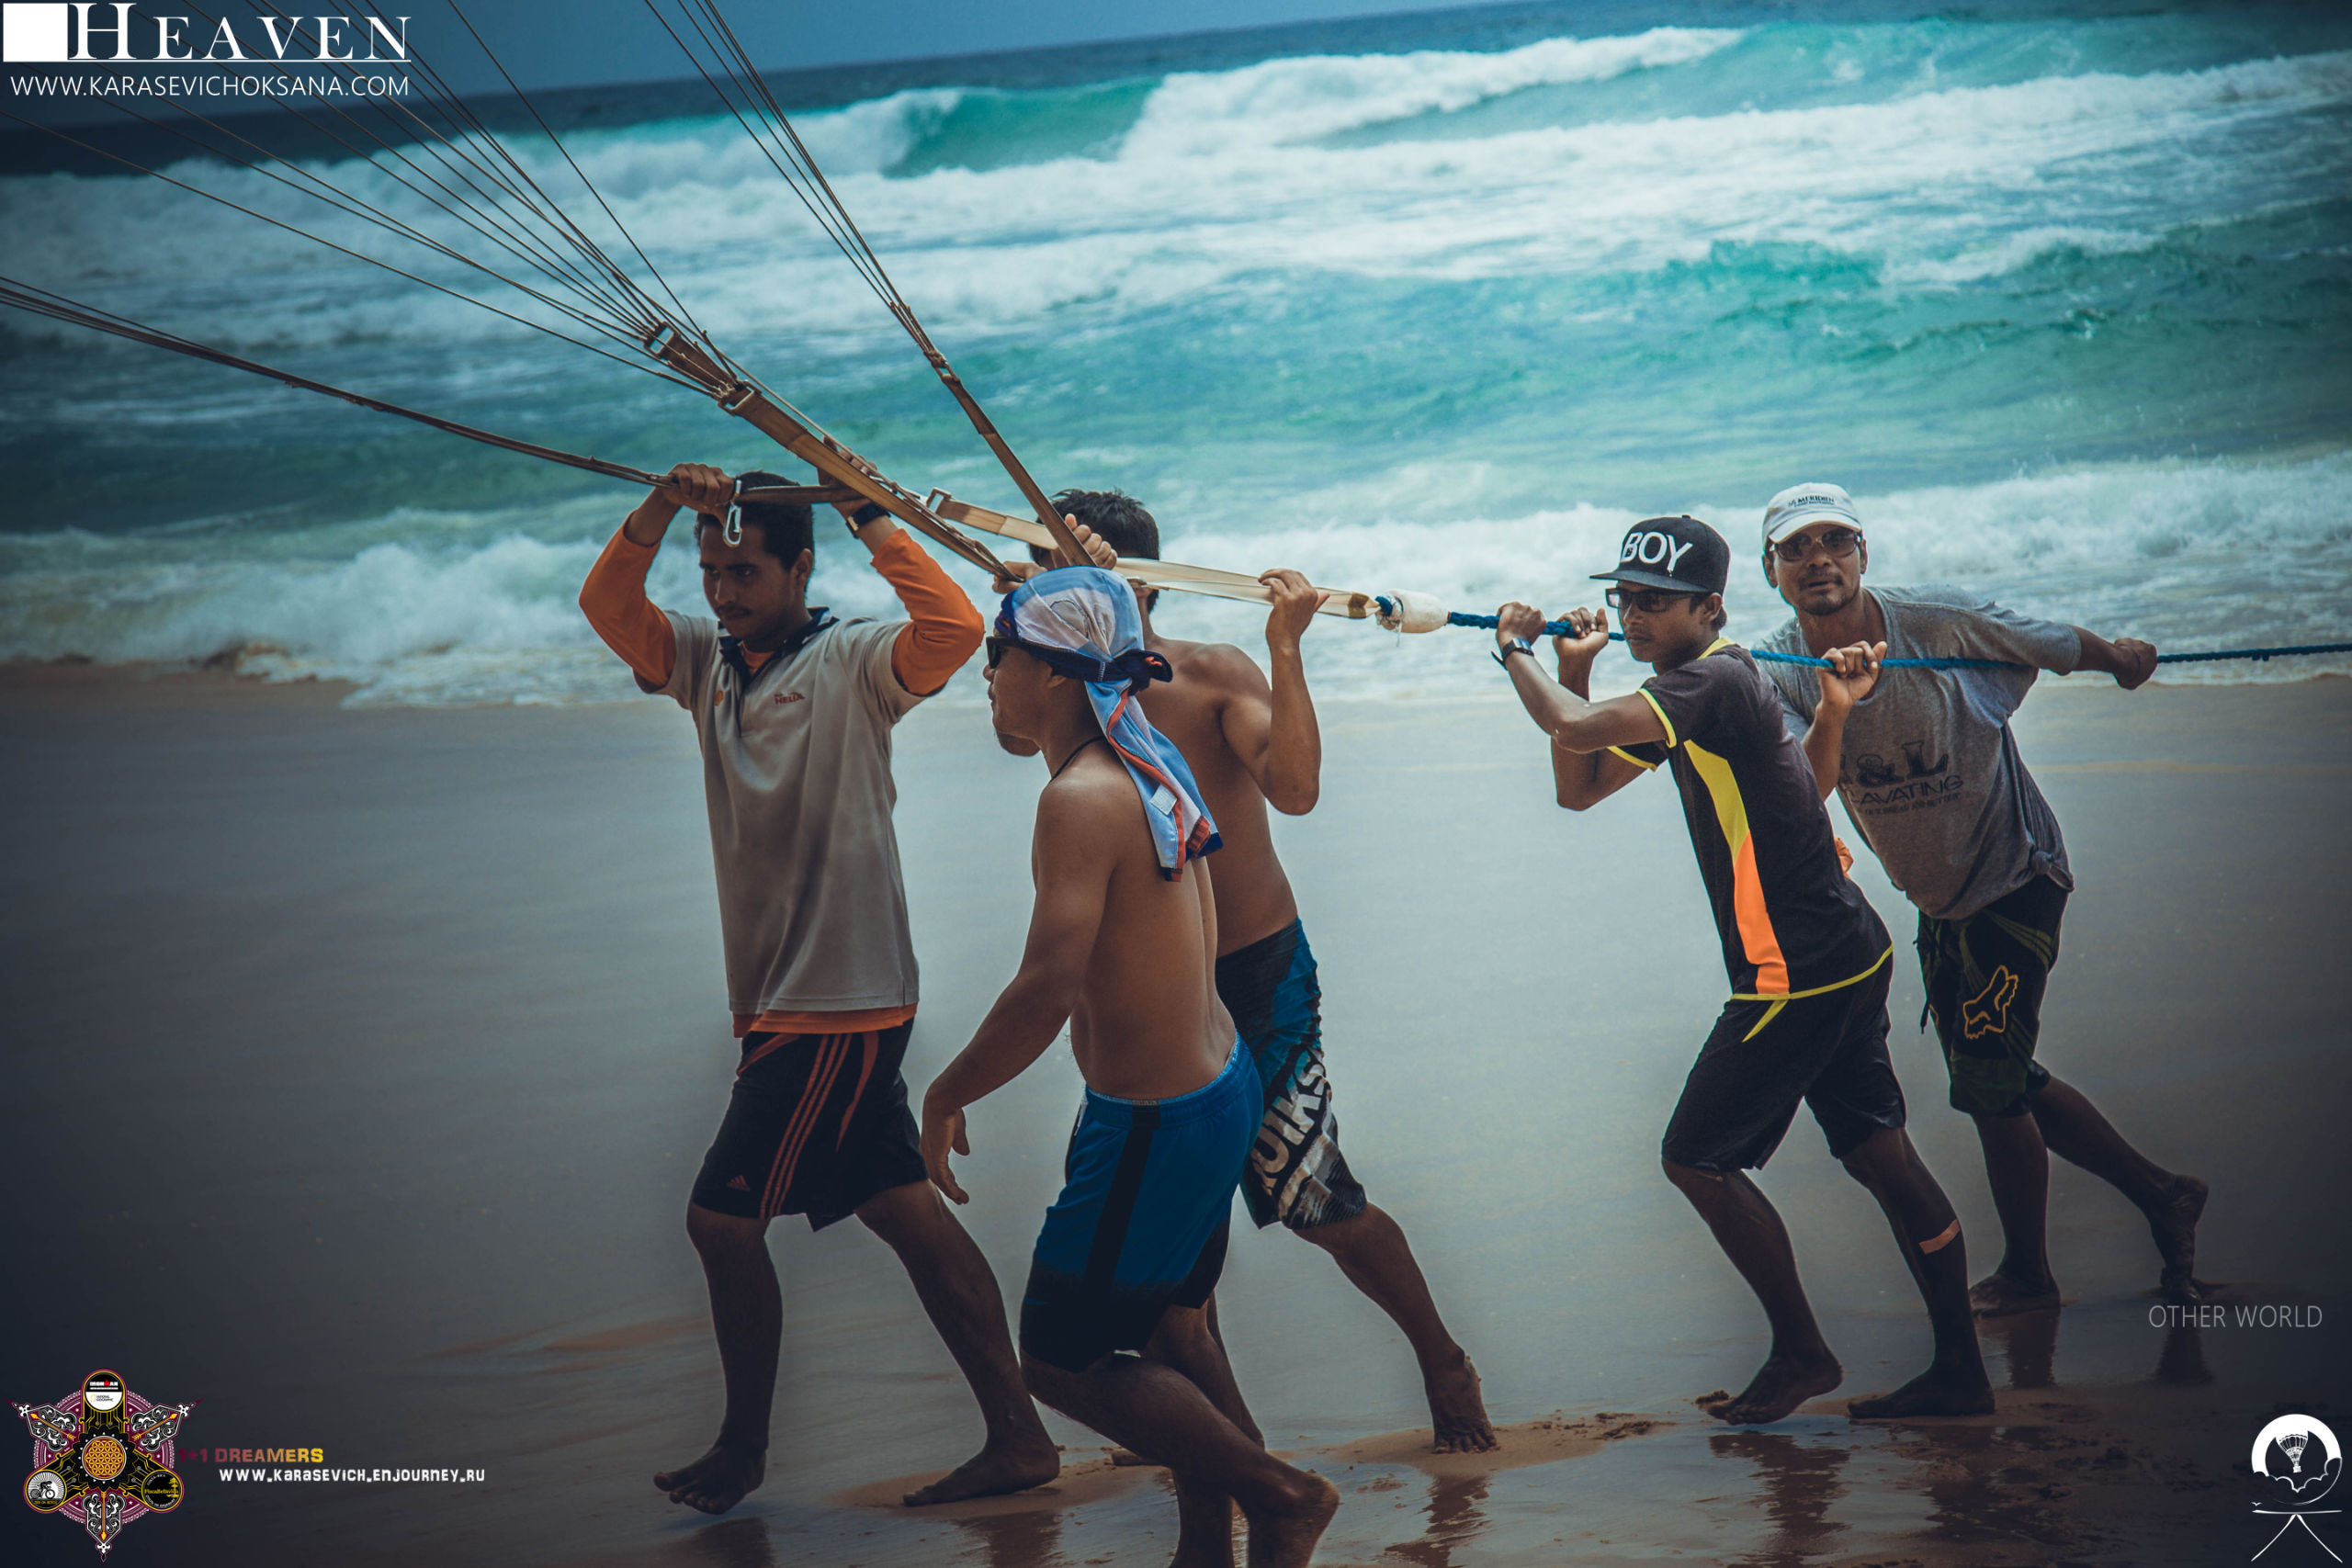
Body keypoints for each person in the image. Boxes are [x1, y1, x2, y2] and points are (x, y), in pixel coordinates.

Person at [577, 467, 1057, 1514]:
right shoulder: (704, 662)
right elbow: (607, 607)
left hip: (838, 995)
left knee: (720, 1222)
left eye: (744, 571)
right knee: (905, 1212)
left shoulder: (851, 661)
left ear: (800, 567)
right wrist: (663, 507)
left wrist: (865, 509)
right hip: (777, 997)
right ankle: (1019, 1439)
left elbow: (954, 626)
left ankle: (743, 1449)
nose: (721, 592)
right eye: (710, 571)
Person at [1001, 490, 1495, 1453]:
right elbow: (1011, 729)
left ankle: (1441, 1359)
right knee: (1168, 1254)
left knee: (1314, 1196)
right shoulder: (1054, 685)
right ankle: (1234, 1452)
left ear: (1138, 577)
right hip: (1146, 992)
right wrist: (1027, 602)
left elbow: (1298, 792)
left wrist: (1285, 648)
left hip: (1255, 973)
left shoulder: (1212, 675)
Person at [1491, 514, 1994, 1425]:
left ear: (1711, 607)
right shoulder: (1697, 692)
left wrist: (1515, 651)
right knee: (1879, 1150)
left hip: (1794, 972)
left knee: (1696, 1158)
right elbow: (1580, 783)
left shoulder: (1714, 682)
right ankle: (1960, 1370)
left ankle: (1802, 1352)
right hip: (1845, 949)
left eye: (1656, 602)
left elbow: (1567, 728)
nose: (1635, 617)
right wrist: (1574, 664)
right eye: (1624, 599)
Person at [923, 565, 1340, 1568]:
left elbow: (1046, 985)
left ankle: (1280, 1497)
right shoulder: (1146, 757)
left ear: (1058, 673)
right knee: (1171, 1335)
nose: (986, 671)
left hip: (1155, 1122)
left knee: (1060, 1362)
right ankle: (1211, 1542)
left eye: (1001, 651)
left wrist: (946, 1092)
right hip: (1213, 1089)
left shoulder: (1082, 795)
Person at [1753, 480, 2208, 1314]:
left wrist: (2120, 660)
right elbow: (1807, 788)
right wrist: (1833, 700)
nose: (1817, 559)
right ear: (1770, 568)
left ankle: (2032, 1274)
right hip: (1938, 894)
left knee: (1990, 1085)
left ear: (1864, 554)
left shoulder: (1935, 621)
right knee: (1997, 1074)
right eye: (1795, 547)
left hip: (2015, 869)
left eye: (1835, 541)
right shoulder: (1776, 667)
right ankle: (2162, 1192)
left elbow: (2042, 638)